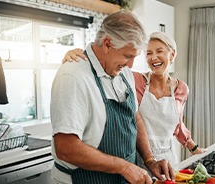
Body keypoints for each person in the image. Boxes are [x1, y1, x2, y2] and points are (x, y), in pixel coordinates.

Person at [51, 10, 174, 184]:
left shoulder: (123, 72)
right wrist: (123, 167)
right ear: (108, 44)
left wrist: (149, 161)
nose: (130, 65)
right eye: (127, 56)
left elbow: (134, 116)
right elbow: (66, 148)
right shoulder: (73, 76)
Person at [62, 31, 204, 170]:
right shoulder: (134, 80)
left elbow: (177, 124)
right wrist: (79, 55)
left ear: (172, 55)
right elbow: (105, 68)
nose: (154, 57)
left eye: (159, 51)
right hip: (138, 161)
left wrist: (195, 149)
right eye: (149, 53)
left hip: (169, 161)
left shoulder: (181, 89)